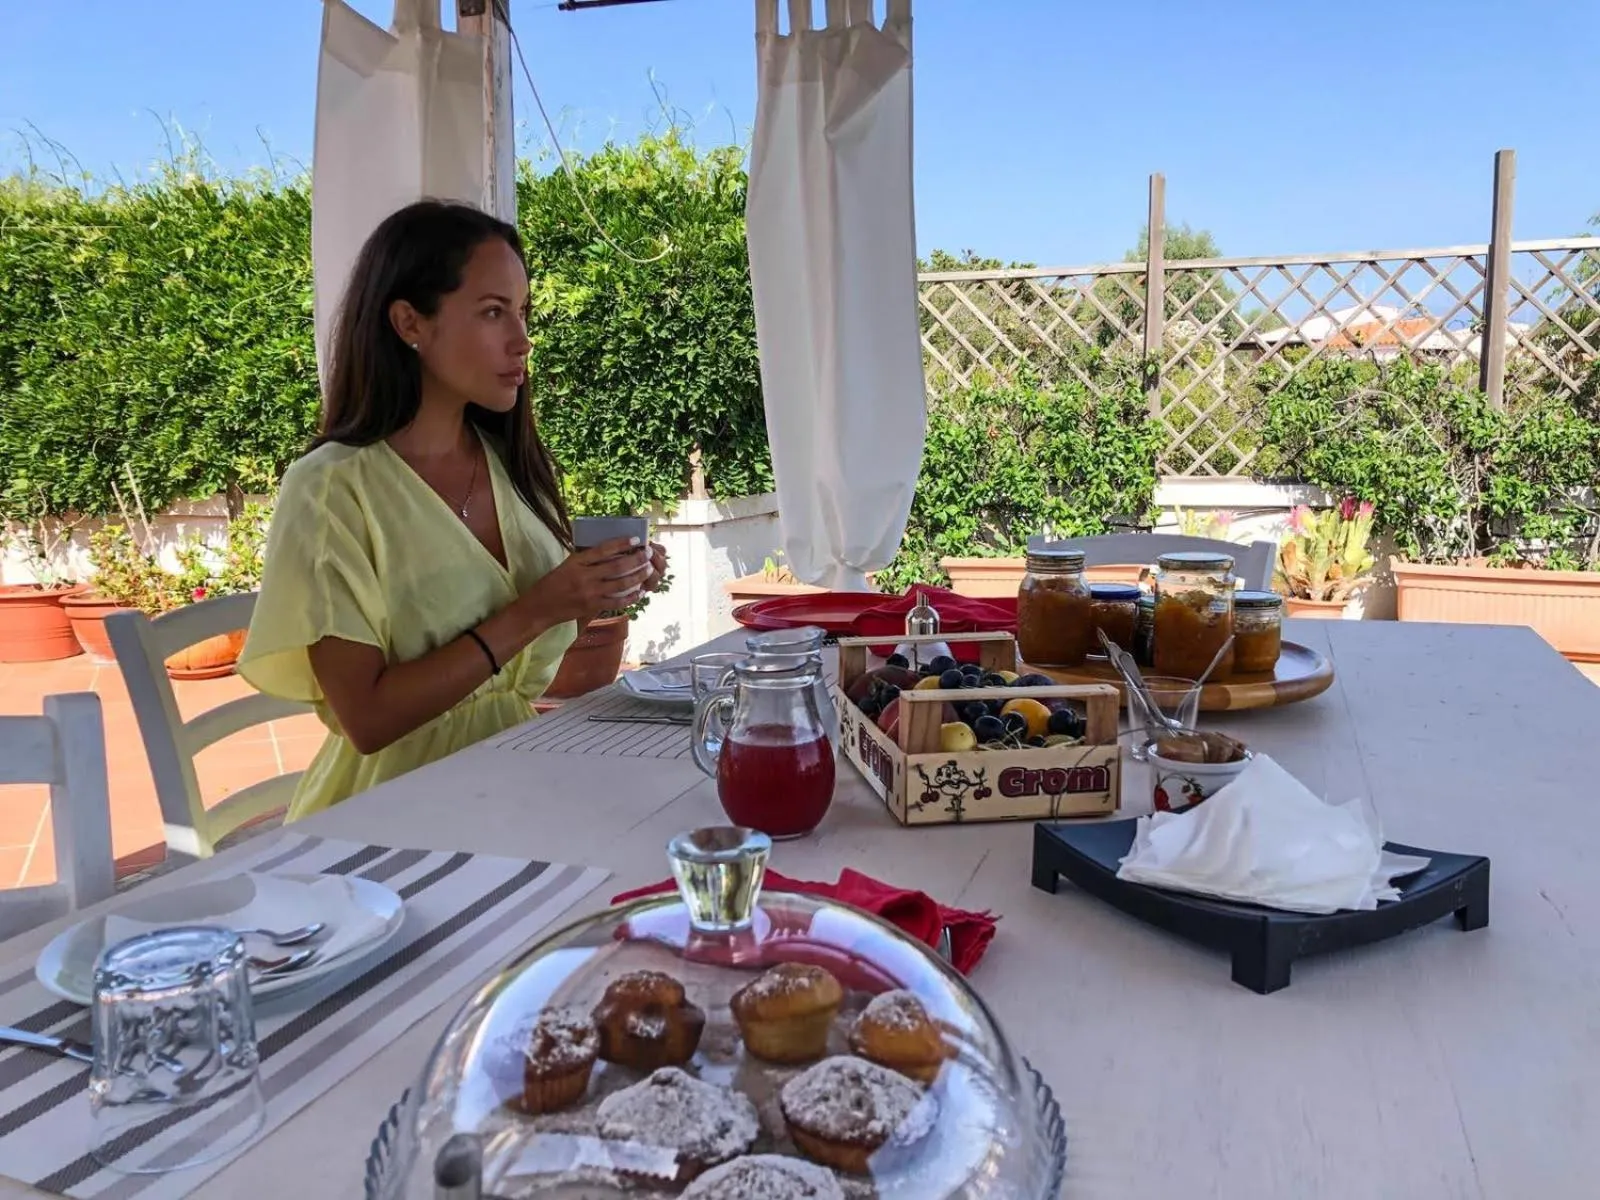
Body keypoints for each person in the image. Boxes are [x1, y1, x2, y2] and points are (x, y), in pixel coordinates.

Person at [239, 200, 665, 821]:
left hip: (509, 778)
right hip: (389, 815)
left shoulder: (504, 462)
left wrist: (594, 589)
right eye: (493, 312)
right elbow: (368, 719)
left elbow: (522, 646)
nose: (521, 340)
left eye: (522, 313)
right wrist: (540, 606)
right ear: (411, 322)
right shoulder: (332, 489)